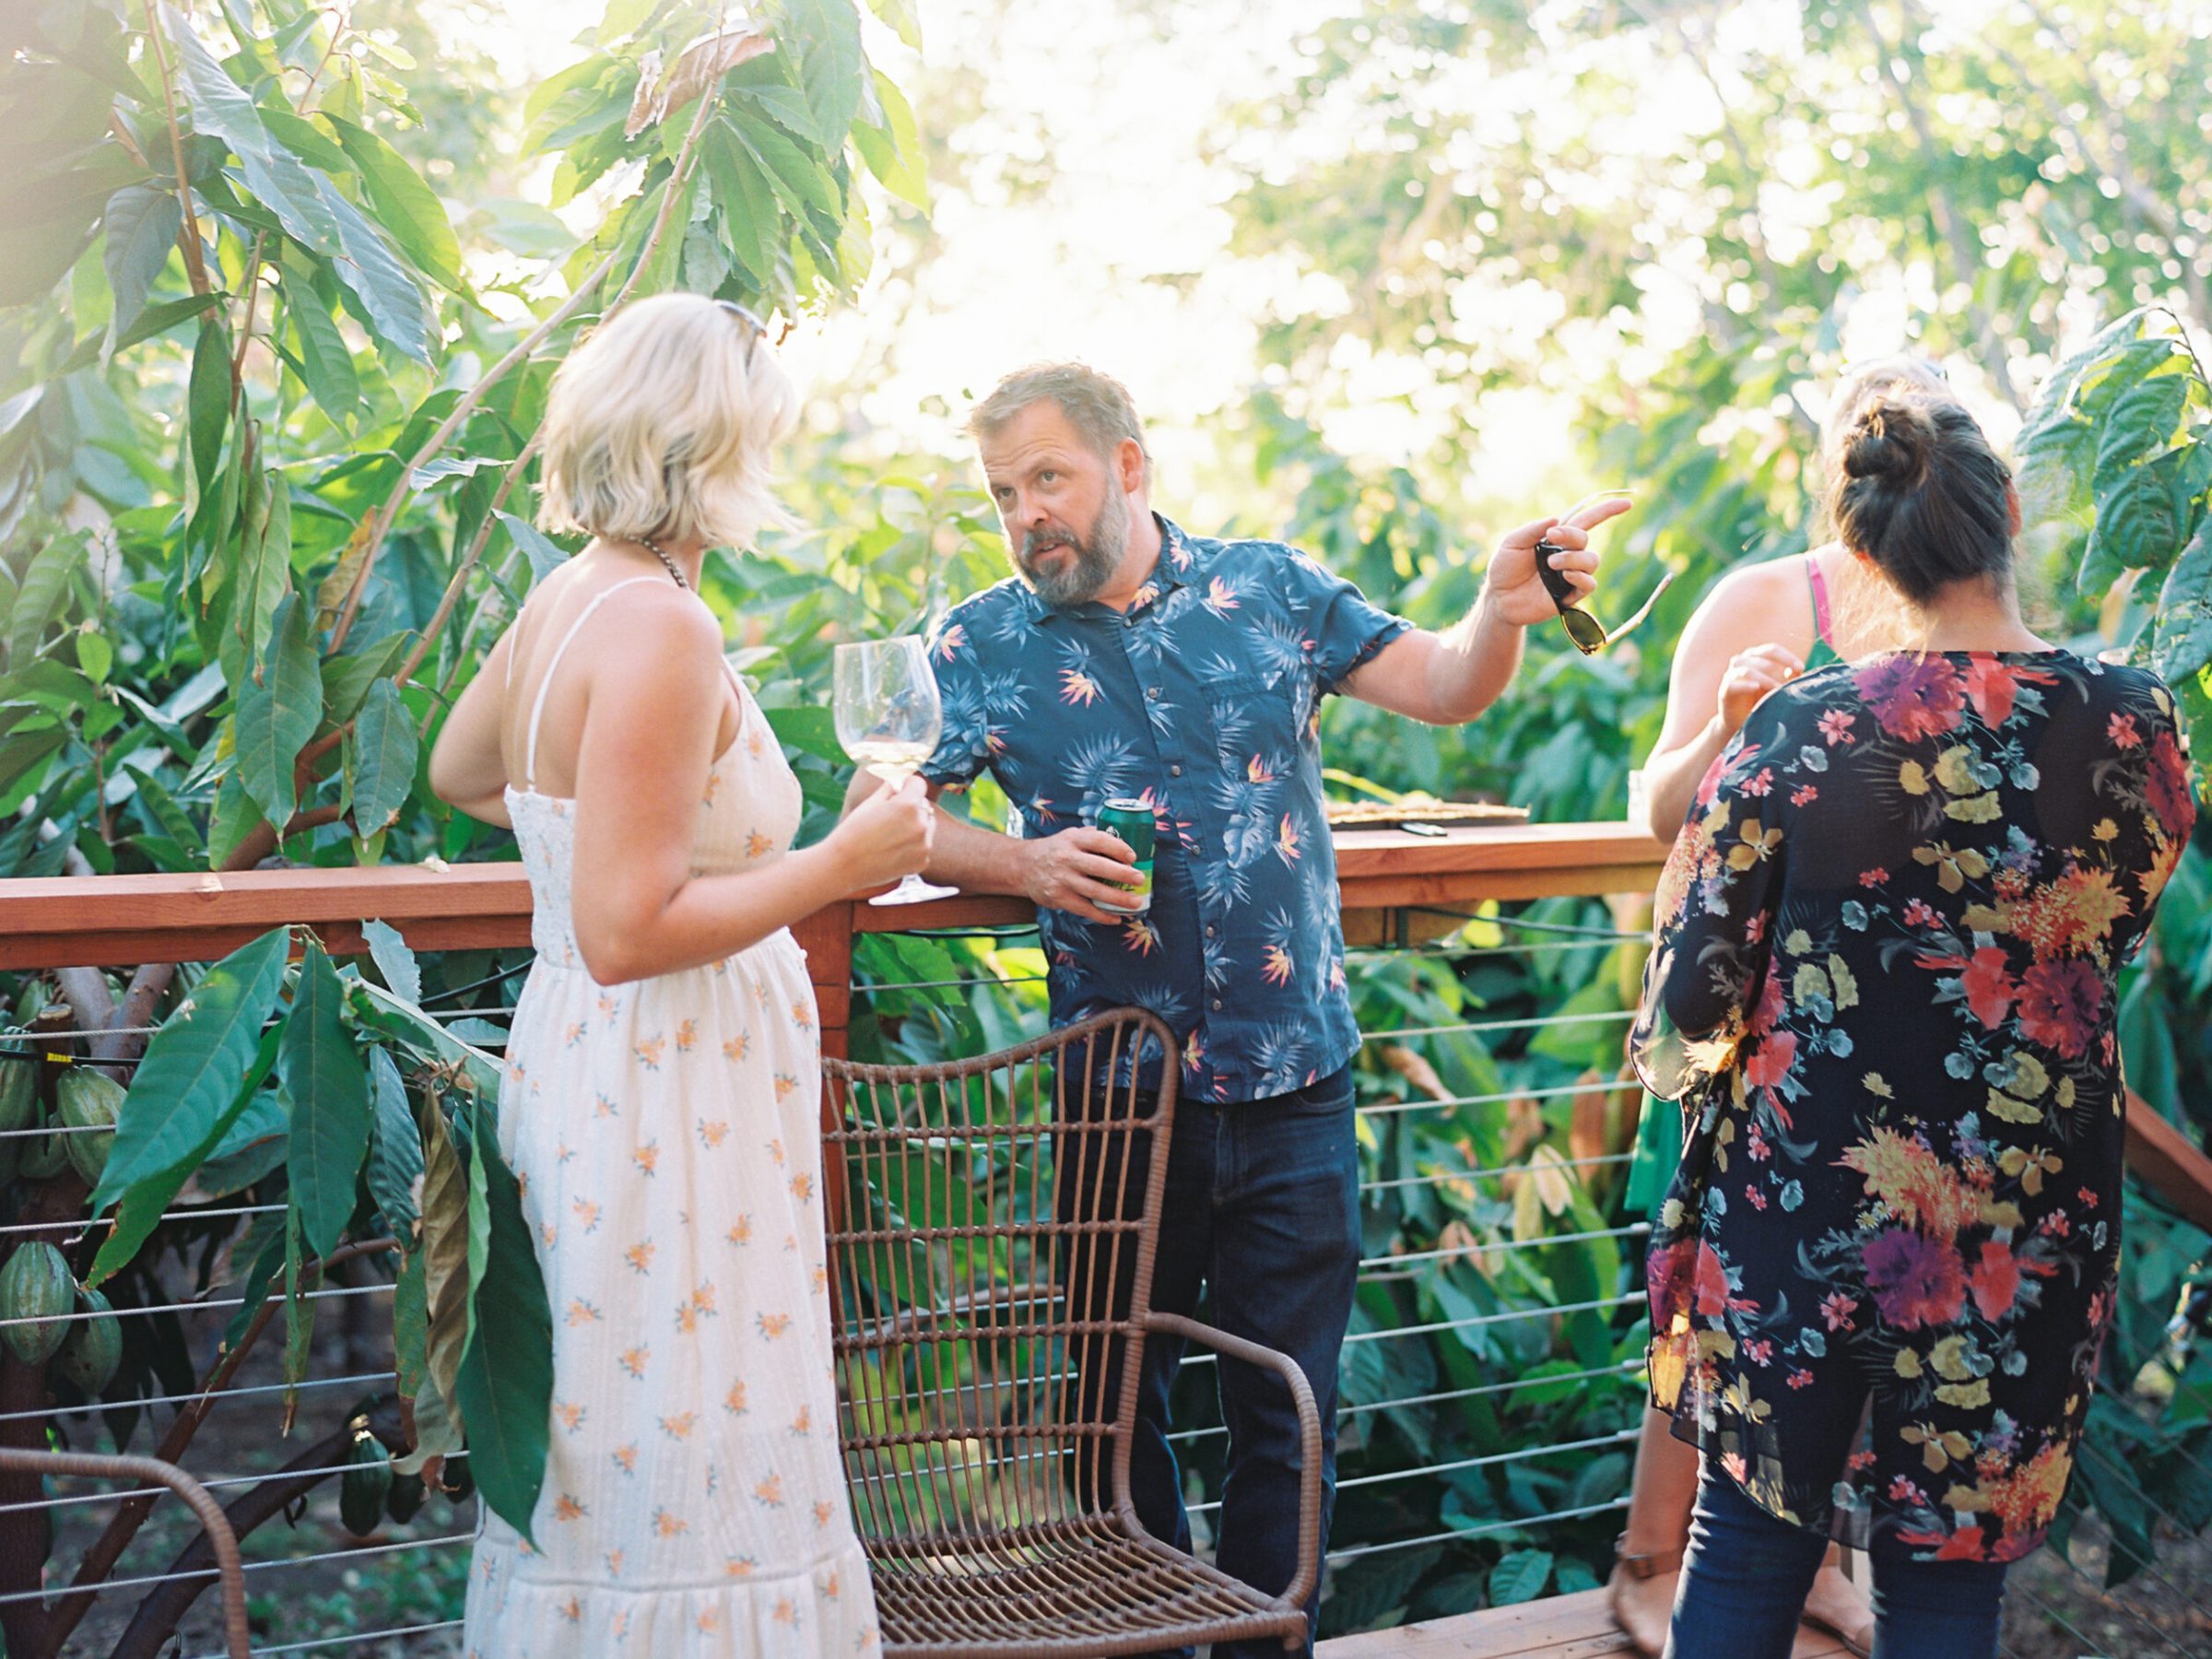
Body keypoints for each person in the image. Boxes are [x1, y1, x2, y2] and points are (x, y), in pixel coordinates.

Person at [862, 361, 1625, 1656]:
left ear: (1129, 465)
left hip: (1295, 1087)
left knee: (1290, 1421)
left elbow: (1449, 686)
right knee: (1111, 1417)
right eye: (1002, 494)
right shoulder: (976, 644)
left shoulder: (1268, 589)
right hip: (1117, 1099)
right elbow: (885, 817)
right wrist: (1024, 863)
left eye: (1048, 478)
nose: (1026, 514)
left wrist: (1500, 612)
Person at [1631, 390, 2194, 1659]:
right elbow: (2116, 925)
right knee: (1950, 1576)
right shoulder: (2135, 719)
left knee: (1748, 1543)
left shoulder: (1802, 728)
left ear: (1864, 553)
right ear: (2010, 517)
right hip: (2026, 1208)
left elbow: (1690, 1012)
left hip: (1803, 1205)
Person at [429, 292, 935, 1657]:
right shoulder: (662, 626)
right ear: (711, 444)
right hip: (666, 1089)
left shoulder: (570, 594)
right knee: (681, 1424)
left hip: (595, 1064)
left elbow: (464, 772)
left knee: (621, 1423)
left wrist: (589, 832)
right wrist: (839, 863)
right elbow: (628, 929)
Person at [1612, 355, 1950, 1657]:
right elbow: (1655, 807)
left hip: (1893, 1023)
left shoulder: (1954, 612)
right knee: (1711, 1290)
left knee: (1865, 1298)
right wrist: (1728, 729)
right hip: (1742, 1011)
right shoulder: (1763, 599)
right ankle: (1649, 1558)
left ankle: (1820, 1566)